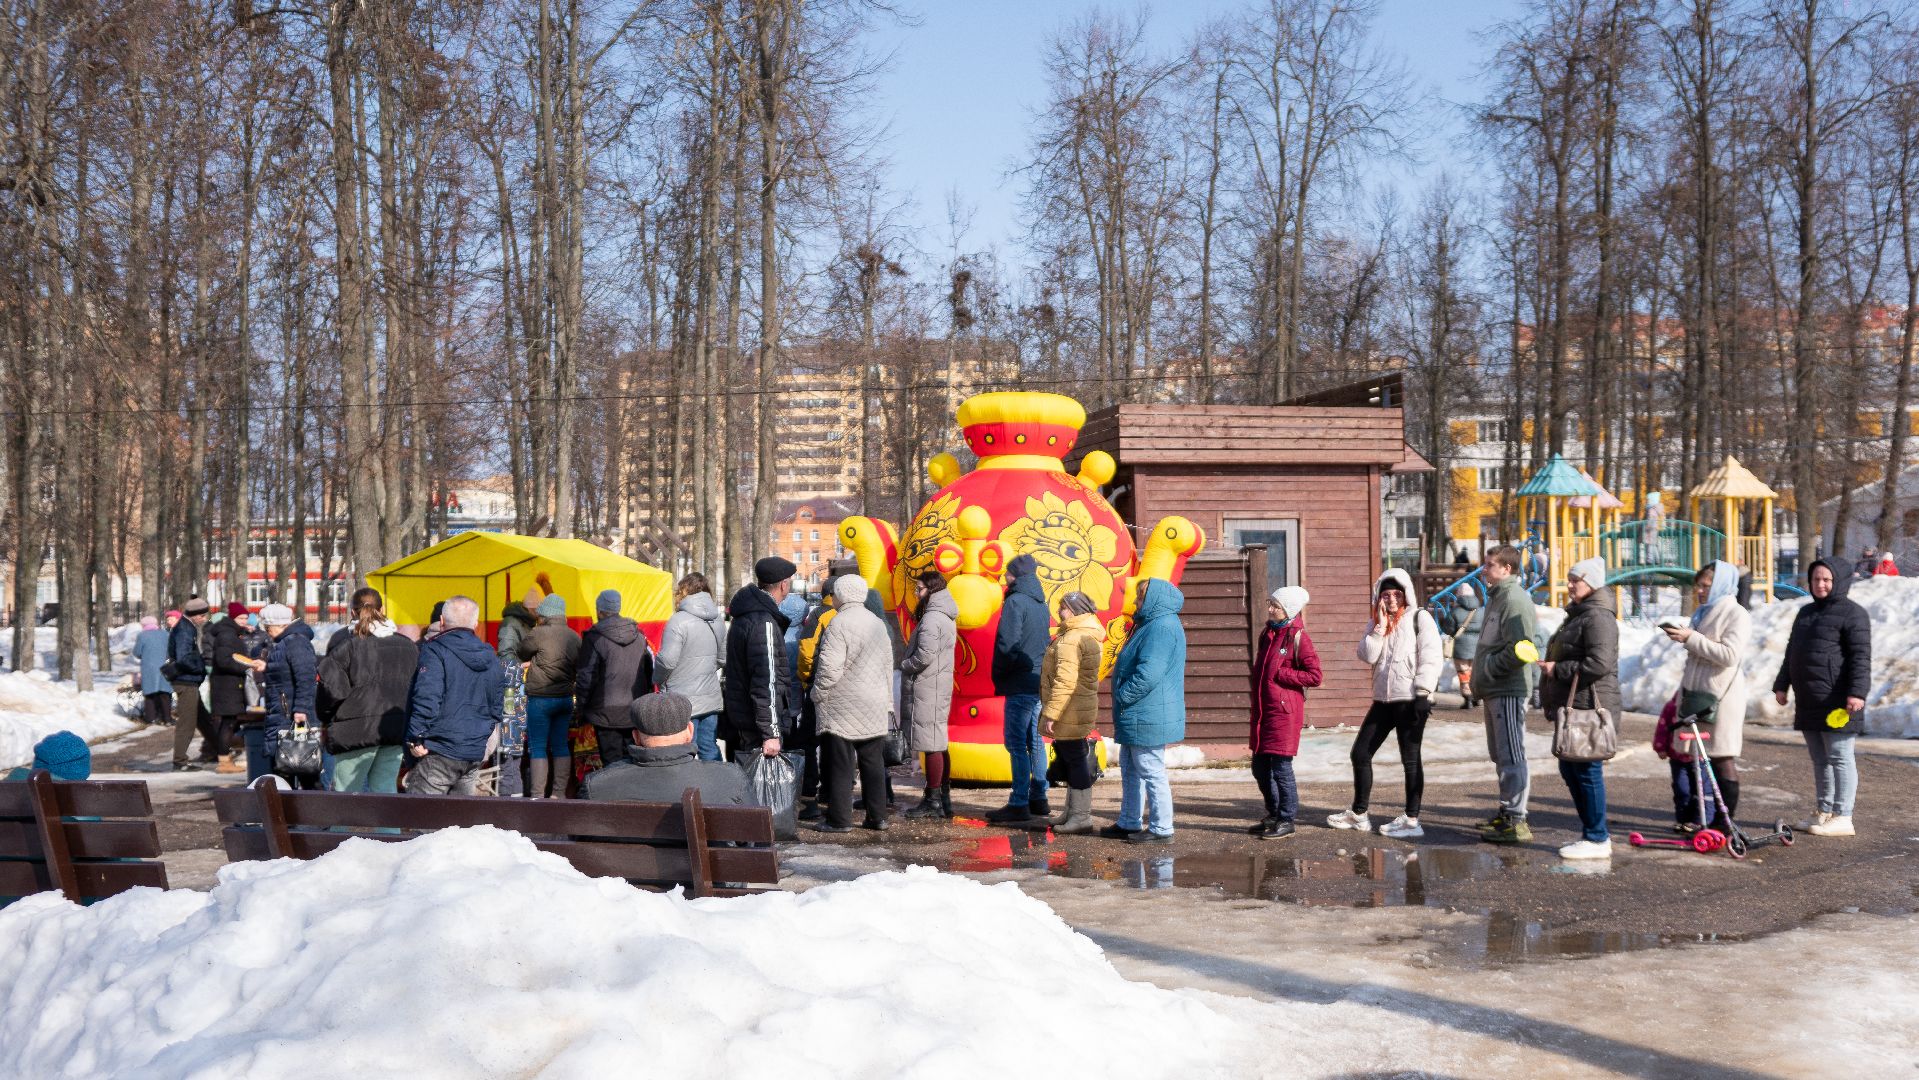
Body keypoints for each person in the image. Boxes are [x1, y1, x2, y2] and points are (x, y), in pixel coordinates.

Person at [1330, 570, 1440, 839]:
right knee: (1360, 753)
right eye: (1386, 594)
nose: (1391, 599)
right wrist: (1378, 627)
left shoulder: (1419, 617)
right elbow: (1367, 655)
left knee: (1410, 760)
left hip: (1411, 700)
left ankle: (1412, 820)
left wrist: (1424, 692)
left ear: (1406, 595)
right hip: (1383, 700)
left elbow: (1431, 655)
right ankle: (1359, 814)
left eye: (1397, 594)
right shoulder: (1378, 622)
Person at [1773, 558, 1871, 838]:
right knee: (1819, 758)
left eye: (1827, 579)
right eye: (1816, 579)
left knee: (1840, 756)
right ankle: (1824, 810)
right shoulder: (1805, 613)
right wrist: (1782, 685)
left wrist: (1857, 692)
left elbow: (1860, 658)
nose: (1820, 584)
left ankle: (1844, 815)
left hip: (1838, 699)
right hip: (1809, 699)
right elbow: (1792, 653)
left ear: (1838, 581)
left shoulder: (1854, 614)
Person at [1662, 559, 1750, 835]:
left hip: (1722, 697)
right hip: (1696, 694)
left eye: (1706, 585)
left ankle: (1725, 823)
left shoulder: (1736, 614)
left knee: (1722, 756)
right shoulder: (1702, 613)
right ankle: (1701, 816)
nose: (1699, 590)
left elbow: (1729, 655)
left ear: (1721, 585)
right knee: (1698, 757)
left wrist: (1690, 638)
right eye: (1698, 585)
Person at [1541, 557, 1620, 860]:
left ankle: (1597, 837)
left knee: (1586, 770)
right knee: (1570, 765)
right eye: (1570, 578)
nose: (1570, 584)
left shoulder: (1598, 616)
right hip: (1577, 703)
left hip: (1591, 704)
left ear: (1593, 583)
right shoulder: (1581, 614)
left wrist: (1558, 669)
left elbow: (1600, 663)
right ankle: (1591, 832)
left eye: (1576, 579)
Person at [1099, 579, 1187, 845]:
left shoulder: (1161, 627)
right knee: (1130, 768)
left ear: (1153, 600)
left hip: (1147, 711)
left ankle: (1161, 828)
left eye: (1140, 598)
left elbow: (1148, 674)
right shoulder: (1150, 624)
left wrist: (1123, 696)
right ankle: (1129, 821)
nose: (1136, 603)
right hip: (1140, 712)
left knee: (1150, 770)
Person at [808, 575, 895, 833]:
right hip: (874, 702)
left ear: (843, 595)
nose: (832, 598)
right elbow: (887, 666)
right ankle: (877, 816)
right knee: (873, 762)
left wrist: (818, 692)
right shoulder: (877, 623)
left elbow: (829, 668)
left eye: (834, 593)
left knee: (841, 764)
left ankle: (840, 819)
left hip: (843, 705)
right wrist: (888, 699)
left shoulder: (839, 623)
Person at [1472, 545, 1541, 844]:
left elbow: (1524, 648)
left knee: (1512, 754)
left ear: (1507, 569)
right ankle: (1507, 812)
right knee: (1501, 755)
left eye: (1490, 565)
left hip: (1508, 689)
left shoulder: (1514, 600)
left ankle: (1517, 820)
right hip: (1495, 689)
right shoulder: (1498, 598)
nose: (1484, 569)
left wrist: (1489, 668)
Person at [316, 591, 418, 793]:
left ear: (352, 611)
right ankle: (388, 826)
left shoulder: (345, 644)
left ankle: (342, 827)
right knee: (386, 793)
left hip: (355, 731)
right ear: (381, 610)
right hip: (395, 727)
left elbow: (330, 689)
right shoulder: (408, 646)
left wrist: (325, 718)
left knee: (345, 797)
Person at [405, 595, 505, 795]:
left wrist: (416, 736)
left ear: (441, 621)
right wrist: (480, 739)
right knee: (459, 822)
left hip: (440, 750)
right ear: (476, 624)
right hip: (473, 751)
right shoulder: (490, 656)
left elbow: (427, 697)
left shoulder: (434, 650)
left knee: (421, 818)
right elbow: (497, 706)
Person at [581, 692, 751, 806]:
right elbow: (755, 841)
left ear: (636, 737)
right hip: (709, 861)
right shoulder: (730, 777)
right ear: (690, 732)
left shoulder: (596, 786)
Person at [1249, 586, 1322, 840]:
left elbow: (1315, 676)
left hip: (1284, 712)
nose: (1270, 609)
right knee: (1259, 767)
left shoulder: (1298, 637)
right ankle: (1273, 813)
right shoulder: (1268, 633)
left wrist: (1282, 674)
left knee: (1281, 768)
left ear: (1288, 610)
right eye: (1271, 603)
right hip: (1263, 710)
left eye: (1276, 606)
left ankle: (1287, 819)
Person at [986, 553, 1052, 823]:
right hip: (1037, 680)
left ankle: (1019, 802)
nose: (1005, 576)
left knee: (1016, 744)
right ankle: (1039, 797)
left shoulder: (1015, 601)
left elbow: (1007, 643)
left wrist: (1000, 672)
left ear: (1017, 576)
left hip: (1018, 681)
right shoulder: (1041, 603)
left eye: (1008, 572)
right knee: (1035, 742)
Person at [723, 556, 799, 765]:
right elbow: (767, 682)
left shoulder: (746, 615)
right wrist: (771, 732)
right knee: (759, 792)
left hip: (746, 719)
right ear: (783, 585)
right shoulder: (762, 622)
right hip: (756, 725)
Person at [900, 572, 960, 821]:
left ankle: (933, 800)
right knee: (937, 740)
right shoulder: (943, 615)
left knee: (931, 742)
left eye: (920, 588)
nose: (916, 593)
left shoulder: (932, 618)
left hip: (928, 686)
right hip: (937, 684)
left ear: (932, 590)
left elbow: (925, 655)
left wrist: (905, 665)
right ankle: (941, 797)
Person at [576, 589, 654, 768]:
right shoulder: (639, 636)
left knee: (611, 764)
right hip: (633, 711)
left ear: (599, 611)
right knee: (633, 762)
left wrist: (581, 708)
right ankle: (632, 796)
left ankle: (614, 796)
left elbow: (585, 677)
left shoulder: (594, 638)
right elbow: (649, 671)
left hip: (604, 713)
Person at [656, 573, 728, 762]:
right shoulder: (717, 619)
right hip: (710, 696)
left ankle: (685, 791)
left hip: (682, 700)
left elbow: (668, 661)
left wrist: (656, 678)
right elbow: (723, 658)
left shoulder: (678, 621)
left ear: (683, 591)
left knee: (683, 752)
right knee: (709, 749)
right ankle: (718, 790)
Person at [517, 593, 580, 798]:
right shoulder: (574, 636)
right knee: (561, 745)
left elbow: (522, 652)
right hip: (564, 699)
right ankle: (558, 794)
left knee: (538, 747)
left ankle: (537, 797)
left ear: (544, 614)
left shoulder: (538, 633)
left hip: (541, 698)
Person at [251, 604, 319, 789]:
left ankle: (308, 814)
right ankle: (291, 814)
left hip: (290, 717)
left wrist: (301, 709)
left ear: (278, 624)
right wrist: (267, 667)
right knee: (286, 769)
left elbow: (305, 676)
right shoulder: (285, 643)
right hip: (283, 714)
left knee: (303, 770)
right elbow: (287, 673)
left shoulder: (295, 642)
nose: (266, 632)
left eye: (267, 627)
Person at [494, 594, 536, 797]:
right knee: (510, 747)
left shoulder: (526, 623)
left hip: (518, 690)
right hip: (511, 692)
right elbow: (505, 659)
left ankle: (513, 795)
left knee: (514, 748)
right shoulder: (511, 624)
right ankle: (508, 797)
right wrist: (524, 666)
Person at [203, 602, 252, 774]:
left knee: (230, 722)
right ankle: (223, 760)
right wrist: (246, 666)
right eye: (241, 618)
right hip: (226, 685)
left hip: (228, 684)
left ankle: (225, 756)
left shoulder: (232, 633)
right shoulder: (227, 635)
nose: (244, 621)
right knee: (228, 723)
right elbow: (224, 661)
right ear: (233, 618)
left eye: (246, 617)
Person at [167, 598, 212, 772]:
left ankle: (218, 749)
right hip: (186, 681)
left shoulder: (186, 627)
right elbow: (184, 657)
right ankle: (180, 761)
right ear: (195, 615)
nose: (204, 619)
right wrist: (201, 667)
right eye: (202, 615)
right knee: (187, 722)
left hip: (188, 680)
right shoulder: (185, 630)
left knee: (203, 719)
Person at [131, 616, 173, 728]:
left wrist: (146, 655)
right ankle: (167, 718)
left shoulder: (142, 635)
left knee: (150, 693)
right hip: (164, 667)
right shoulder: (165, 634)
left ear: (144, 625)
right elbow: (170, 651)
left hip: (148, 668)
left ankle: (151, 718)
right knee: (165, 693)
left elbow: (137, 652)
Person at [1451, 583, 1485, 709]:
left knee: (1463, 672)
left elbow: (1448, 628)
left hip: (1461, 648)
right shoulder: (1481, 611)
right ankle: (1477, 697)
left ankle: (1468, 699)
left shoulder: (1456, 611)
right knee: (1475, 672)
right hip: (1478, 647)